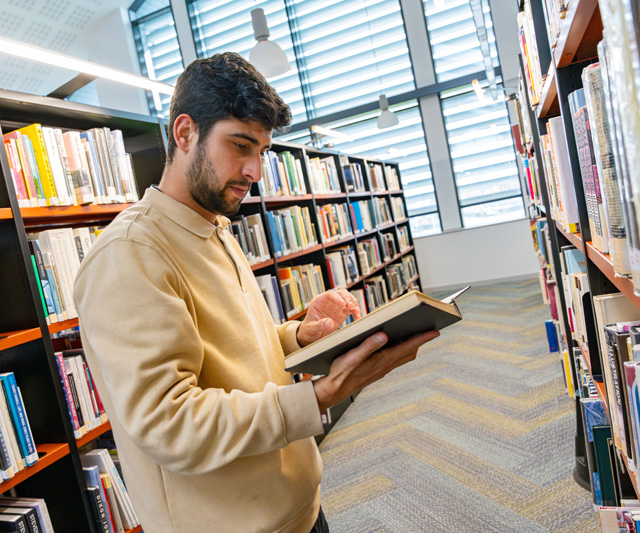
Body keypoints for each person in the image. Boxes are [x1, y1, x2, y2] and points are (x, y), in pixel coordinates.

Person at [73, 52, 440, 533]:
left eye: (262, 151)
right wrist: (319, 398)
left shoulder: (214, 227)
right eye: (240, 145)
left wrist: (297, 338)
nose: (255, 170)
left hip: (296, 504)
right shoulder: (129, 255)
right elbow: (168, 421)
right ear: (185, 134)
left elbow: (230, 350)